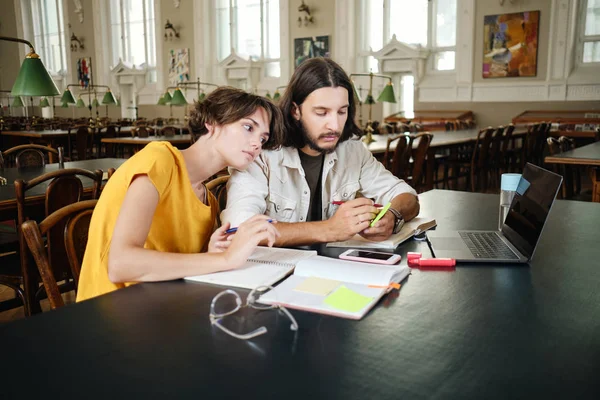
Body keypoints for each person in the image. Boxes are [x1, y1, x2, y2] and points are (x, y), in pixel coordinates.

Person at [77, 87, 284, 301]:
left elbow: (174, 266)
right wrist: (224, 259)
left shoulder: (208, 200)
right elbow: (121, 264)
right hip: (109, 309)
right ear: (211, 123)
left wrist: (209, 254)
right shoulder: (159, 160)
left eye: (263, 139)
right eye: (248, 127)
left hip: (162, 307)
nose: (257, 144)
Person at [222, 58, 420, 247]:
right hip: (273, 275)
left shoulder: (353, 150)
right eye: (321, 113)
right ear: (295, 110)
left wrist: (393, 216)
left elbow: (408, 197)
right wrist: (330, 229)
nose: (334, 125)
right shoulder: (260, 153)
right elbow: (240, 227)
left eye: (342, 112)